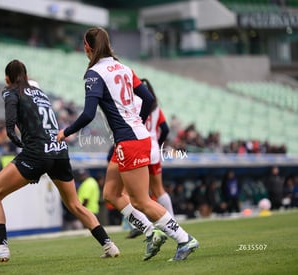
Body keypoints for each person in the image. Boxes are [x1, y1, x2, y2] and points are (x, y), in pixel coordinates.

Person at [57, 27, 198, 262]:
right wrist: (137, 121)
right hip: (133, 137)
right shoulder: (124, 68)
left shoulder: (94, 73)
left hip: (129, 141)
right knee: (111, 193)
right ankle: (151, 232)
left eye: (84, 46)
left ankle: (184, 239)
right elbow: (150, 99)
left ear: (88, 47)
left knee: (141, 201)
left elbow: (89, 114)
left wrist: (67, 131)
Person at [0, 59, 119, 264]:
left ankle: (0, 247)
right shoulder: (40, 93)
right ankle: (109, 245)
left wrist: (10, 131)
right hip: (59, 151)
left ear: (7, 78)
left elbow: (11, 115)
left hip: (37, 153)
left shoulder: (11, 91)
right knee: (75, 204)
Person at [127, 78, 174, 239]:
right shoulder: (155, 108)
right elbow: (165, 129)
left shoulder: (133, 104)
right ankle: (171, 220)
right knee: (159, 190)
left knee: (138, 192)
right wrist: (158, 144)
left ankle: (139, 224)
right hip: (153, 148)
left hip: (140, 146)